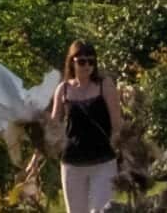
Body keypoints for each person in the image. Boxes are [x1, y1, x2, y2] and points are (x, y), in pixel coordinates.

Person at [49, 40, 123, 213]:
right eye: (82, 61)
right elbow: (52, 129)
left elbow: (116, 124)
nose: (87, 66)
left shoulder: (104, 85)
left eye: (91, 61)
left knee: (102, 210)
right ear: (72, 62)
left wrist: (122, 152)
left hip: (103, 160)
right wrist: (34, 162)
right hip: (72, 163)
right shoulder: (64, 89)